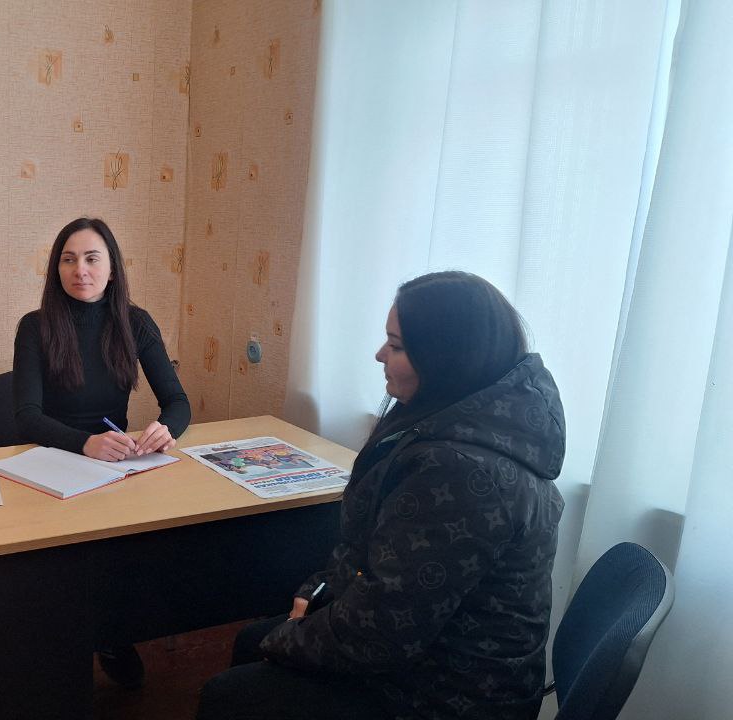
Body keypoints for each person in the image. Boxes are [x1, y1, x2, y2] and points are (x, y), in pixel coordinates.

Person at [196, 271, 565, 720]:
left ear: (447, 357)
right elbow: (374, 553)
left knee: (230, 692)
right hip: (428, 653)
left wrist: (290, 635)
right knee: (252, 642)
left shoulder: (461, 471)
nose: (379, 355)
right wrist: (318, 591)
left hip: (450, 694)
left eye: (397, 346)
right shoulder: (462, 421)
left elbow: (383, 634)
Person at [12, 216, 191, 688]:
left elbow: (178, 402)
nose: (81, 270)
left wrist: (164, 430)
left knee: (132, 553)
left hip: (115, 465)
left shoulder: (136, 322)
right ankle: (62, 644)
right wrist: (84, 442)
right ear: (56, 269)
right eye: (68, 260)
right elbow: (27, 417)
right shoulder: (35, 326)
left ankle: (113, 634)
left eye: (92, 259)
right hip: (53, 461)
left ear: (112, 268)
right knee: (60, 567)